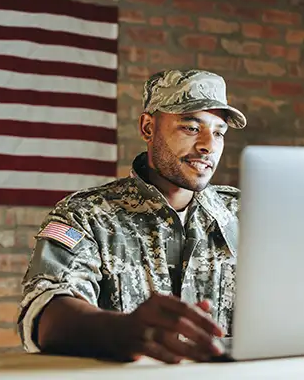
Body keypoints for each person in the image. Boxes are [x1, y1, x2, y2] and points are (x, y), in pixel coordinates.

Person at [16, 69, 248, 364]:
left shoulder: (247, 215)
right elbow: (46, 313)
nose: (208, 146)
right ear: (148, 128)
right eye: (191, 128)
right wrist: (122, 331)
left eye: (219, 132)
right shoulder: (87, 216)